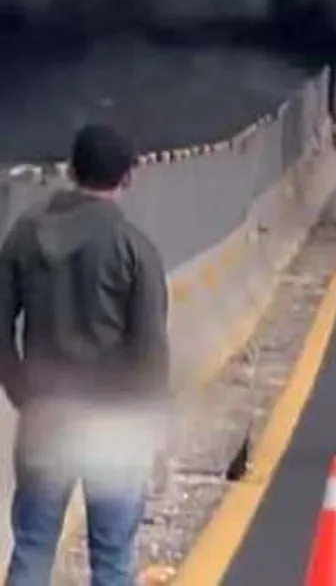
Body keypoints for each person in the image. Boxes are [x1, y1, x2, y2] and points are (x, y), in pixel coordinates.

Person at [0, 124, 169, 586]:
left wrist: (22, 392)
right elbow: (150, 352)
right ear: (129, 177)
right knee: (112, 557)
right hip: (112, 423)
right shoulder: (134, 248)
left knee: (33, 547)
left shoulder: (24, 236)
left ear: (71, 169)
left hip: (46, 415)